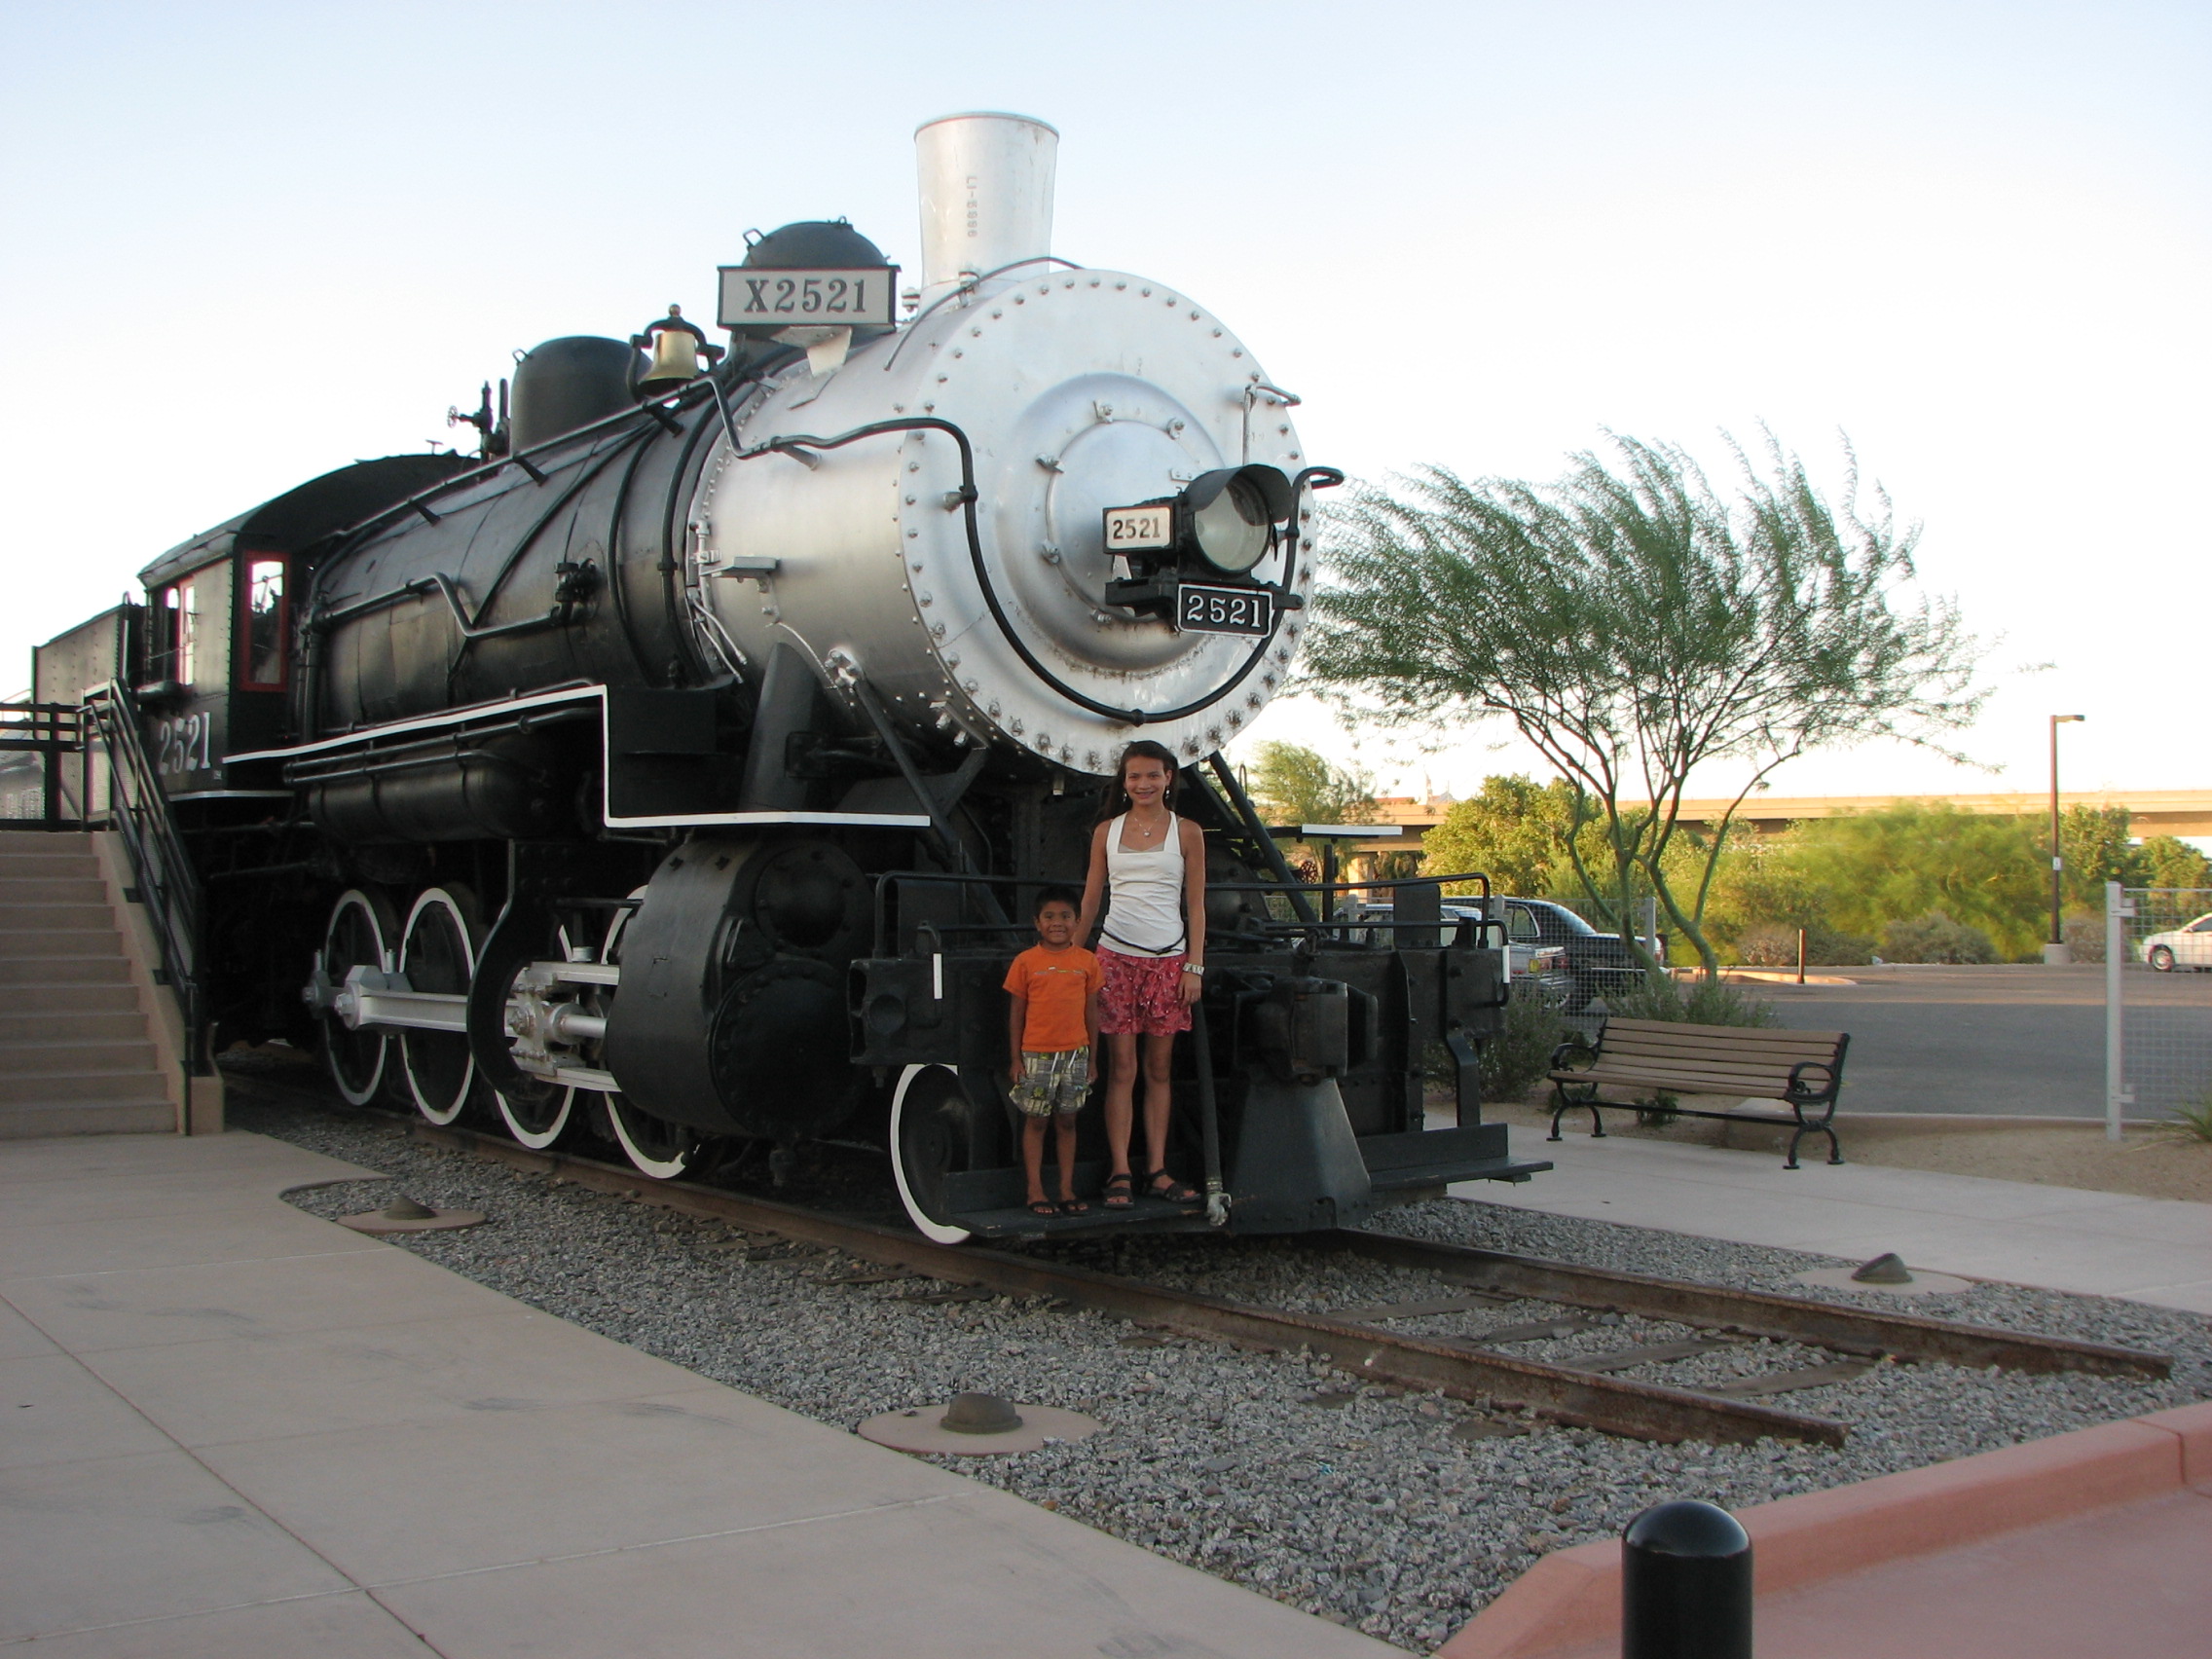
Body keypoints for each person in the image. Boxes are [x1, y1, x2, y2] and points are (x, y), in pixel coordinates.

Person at [1076, 740, 1206, 1210]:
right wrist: (1073, 957)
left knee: (1158, 1070)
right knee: (1121, 1070)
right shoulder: (1106, 832)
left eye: (1153, 775)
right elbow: (1091, 899)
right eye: (1134, 777)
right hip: (1115, 959)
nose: (1144, 784)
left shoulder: (1187, 831)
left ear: (1169, 777)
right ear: (1123, 782)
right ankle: (1120, 1171)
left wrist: (1194, 964)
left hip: (1168, 963)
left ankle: (1157, 1169)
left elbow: (1195, 904)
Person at [1003, 886, 1103, 1217]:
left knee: (1068, 1122)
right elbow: (1016, 1013)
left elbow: (1092, 1013)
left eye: (1064, 917)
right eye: (1049, 917)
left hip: (1075, 1054)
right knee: (1036, 1122)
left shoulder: (1087, 962)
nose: (1057, 923)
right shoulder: (1025, 963)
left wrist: (1092, 1059)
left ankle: (1065, 1189)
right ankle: (1034, 1190)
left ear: (1077, 922)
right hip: (1036, 1055)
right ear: (1037, 923)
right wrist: (1016, 1058)